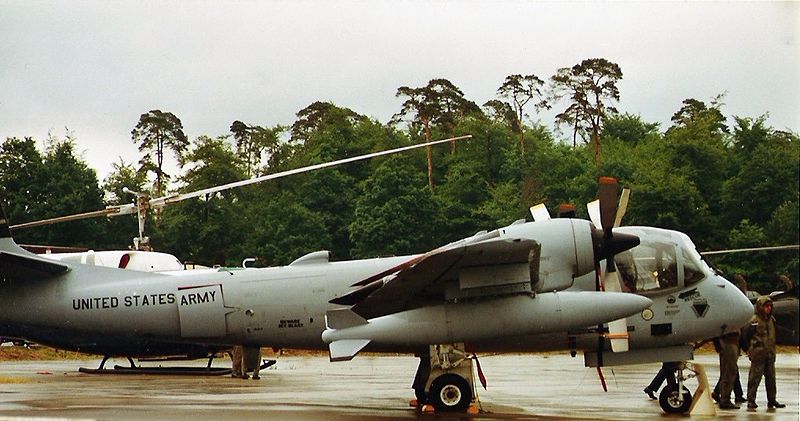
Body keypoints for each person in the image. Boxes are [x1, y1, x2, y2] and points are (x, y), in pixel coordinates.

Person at [742, 296, 785, 409]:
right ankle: (751, 400)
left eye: (770, 306)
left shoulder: (772, 320)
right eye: (766, 306)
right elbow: (745, 336)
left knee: (771, 379)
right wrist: (748, 349)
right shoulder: (754, 321)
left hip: (770, 354)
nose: (769, 309)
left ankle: (772, 400)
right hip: (758, 354)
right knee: (754, 379)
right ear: (761, 307)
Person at [711, 332, 743, 409]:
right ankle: (725, 399)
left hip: (732, 343)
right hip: (728, 344)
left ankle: (722, 396)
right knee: (729, 373)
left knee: (729, 372)